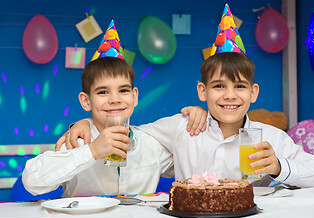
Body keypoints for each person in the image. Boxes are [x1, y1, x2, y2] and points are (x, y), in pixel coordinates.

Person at [60, 5, 314, 188]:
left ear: (253, 93)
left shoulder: (270, 138)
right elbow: (130, 133)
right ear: (202, 91)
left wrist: (278, 166)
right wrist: (83, 123)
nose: (229, 96)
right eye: (218, 87)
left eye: (239, 87)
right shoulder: (182, 127)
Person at [22, 20, 206, 197]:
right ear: (86, 101)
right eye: (103, 92)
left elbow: (197, 162)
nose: (115, 99)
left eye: (123, 90)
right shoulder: (76, 141)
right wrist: (92, 151)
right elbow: (32, 181)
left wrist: (202, 115)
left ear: (134, 96)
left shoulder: (151, 144)